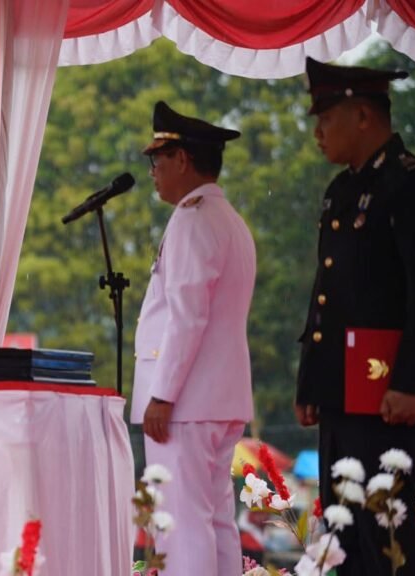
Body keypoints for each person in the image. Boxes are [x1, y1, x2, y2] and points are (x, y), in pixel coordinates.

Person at [295, 57, 415, 576]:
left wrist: (412, 382)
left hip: (388, 396)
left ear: (363, 116)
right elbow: (328, 295)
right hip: (342, 391)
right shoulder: (342, 191)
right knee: (345, 528)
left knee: (385, 526)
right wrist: (311, 381)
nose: (317, 131)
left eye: (327, 116)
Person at [131, 101, 257, 575]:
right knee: (216, 521)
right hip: (219, 399)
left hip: (185, 402)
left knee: (180, 525)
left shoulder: (191, 217)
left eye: (157, 161)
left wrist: (162, 394)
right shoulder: (229, 219)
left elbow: (187, 317)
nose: (152, 173)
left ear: (181, 159)